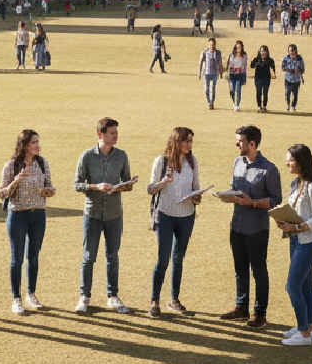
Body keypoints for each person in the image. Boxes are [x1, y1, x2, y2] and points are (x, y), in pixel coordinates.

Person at [219, 125, 282, 329]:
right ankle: (241, 307)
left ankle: (260, 314)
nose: (237, 144)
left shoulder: (269, 169)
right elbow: (235, 188)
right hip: (236, 226)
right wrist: (228, 196)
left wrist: (252, 203)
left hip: (257, 230)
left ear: (252, 144)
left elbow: (275, 201)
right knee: (240, 269)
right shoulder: (237, 161)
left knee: (258, 271)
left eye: (240, 141)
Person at [73, 117, 135, 315]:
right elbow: (77, 184)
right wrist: (95, 187)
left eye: (116, 132)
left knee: (112, 256)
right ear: (101, 134)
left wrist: (125, 186)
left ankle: (112, 297)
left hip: (114, 214)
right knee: (88, 256)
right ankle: (84, 297)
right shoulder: (86, 157)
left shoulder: (122, 156)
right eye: (112, 133)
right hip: (92, 214)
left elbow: (127, 183)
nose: (116, 136)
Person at [275, 144, 312, 346]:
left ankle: (304, 334)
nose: (286, 163)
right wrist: (284, 220)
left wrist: (297, 227)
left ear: (301, 161)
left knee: (292, 286)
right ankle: (309, 327)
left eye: (290, 159)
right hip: (296, 240)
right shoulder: (296, 183)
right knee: (306, 286)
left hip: (309, 243)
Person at [145, 127, 204, 318]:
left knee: (179, 258)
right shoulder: (161, 161)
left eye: (191, 141)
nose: (189, 145)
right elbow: (151, 189)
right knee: (163, 259)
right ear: (175, 141)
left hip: (187, 215)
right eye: (186, 141)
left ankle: (174, 300)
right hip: (165, 215)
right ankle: (154, 301)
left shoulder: (192, 162)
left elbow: (196, 188)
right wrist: (164, 182)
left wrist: (196, 197)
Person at [0, 130, 55, 315]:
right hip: (17, 216)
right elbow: (1, 193)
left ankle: (31, 294)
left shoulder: (42, 162)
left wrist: (48, 191)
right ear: (24, 146)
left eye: (38, 142)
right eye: (34, 143)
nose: (38, 146)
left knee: (34, 256)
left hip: (38, 215)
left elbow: (49, 186)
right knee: (17, 258)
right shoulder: (11, 165)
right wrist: (15, 181)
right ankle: (16, 299)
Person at [197, 38, 224, 110]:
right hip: (206, 73)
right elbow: (200, 63)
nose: (211, 46)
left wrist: (221, 73)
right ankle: (209, 102)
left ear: (215, 45)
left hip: (215, 73)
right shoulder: (204, 52)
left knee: (213, 89)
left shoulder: (218, 53)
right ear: (208, 45)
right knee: (206, 89)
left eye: (213, 44)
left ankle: (212, 102)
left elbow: (220, 63)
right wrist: (199, 73)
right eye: (210, 44)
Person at [251, 45, 276, 113]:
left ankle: (264, 106)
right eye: (261, 51)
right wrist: (257, 63)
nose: (263, 52)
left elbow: (273, 68)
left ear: (267, 52)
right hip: (258, 78)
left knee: (265, 93)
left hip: (267, 79)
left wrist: (274, 72)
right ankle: (259, 106)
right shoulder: (256, 59)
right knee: (258, 92)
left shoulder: (270, 60)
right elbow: (251, 66)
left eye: (264, 51)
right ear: (259, 52)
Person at [281, 44, 305, 112]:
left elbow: (303, 70)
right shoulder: (286, 58)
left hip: (296, 80)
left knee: (295, 95)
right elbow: (282, 67)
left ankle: (293, 106)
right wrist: (289, 70)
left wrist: (298, 70)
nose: (291, 52)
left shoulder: (300, 59)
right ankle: (288, 105)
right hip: (288, 79)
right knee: (287, 94)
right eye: (290, 51)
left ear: (295, 51)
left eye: (292, 50)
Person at [226, 40, 248, 112]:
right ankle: (233, 102)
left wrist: (244, 76)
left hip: (240, 74)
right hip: (232, 74)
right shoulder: (231, 55)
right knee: (232, 90)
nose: (238, 49)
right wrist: (228, 74)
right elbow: (229, 65)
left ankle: (237, 105)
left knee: (238, 90)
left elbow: (245, 66)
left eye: (240, 47)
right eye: (237, 47)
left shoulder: (244, 55)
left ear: (242, 48)